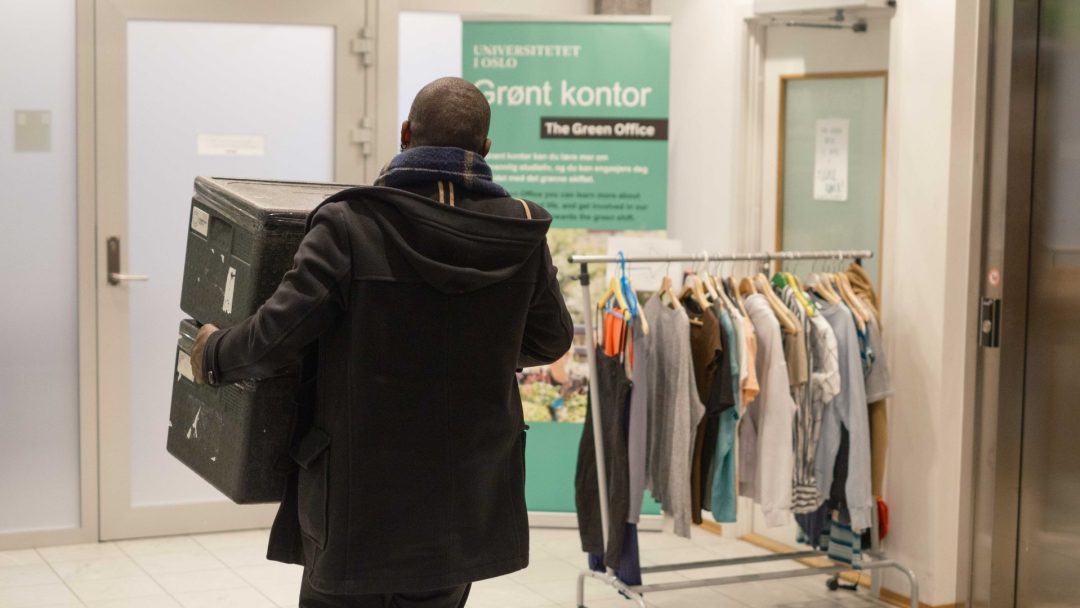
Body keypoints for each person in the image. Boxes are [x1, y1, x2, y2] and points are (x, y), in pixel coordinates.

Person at [190, 77, 574, 608]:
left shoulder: (351, 223)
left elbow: (276, 338)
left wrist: (212, 354)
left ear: (405, 133)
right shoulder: (521, 233)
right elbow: (550, 339)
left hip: (355, 505)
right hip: (462, 503)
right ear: (485, 150)